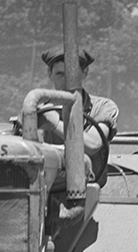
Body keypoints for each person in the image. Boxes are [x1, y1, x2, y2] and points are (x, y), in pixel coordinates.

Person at [37, 48, 119, 185]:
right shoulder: (37, 110)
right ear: (49, 74)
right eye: (60, 74)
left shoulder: (103, 107)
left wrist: (55, 124)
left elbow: (93, 145)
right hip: (46, 194)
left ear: (84, 73)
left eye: (72, 75)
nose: (67, 82)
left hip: (90, 195)